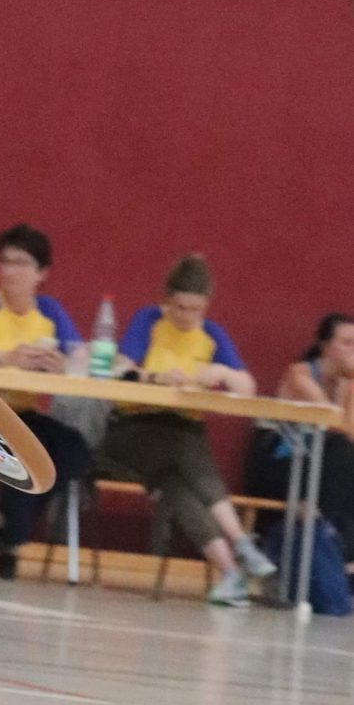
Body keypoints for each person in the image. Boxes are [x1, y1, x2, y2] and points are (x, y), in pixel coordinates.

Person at [97, 255, 274, 606]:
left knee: (177, 486)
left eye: (195, 309)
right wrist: (156, 377)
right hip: (132, 431)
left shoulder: (212, 335)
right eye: (179, 307)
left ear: (205, 306)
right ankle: (241, 540)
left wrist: (224, 373)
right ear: (166, 300)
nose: (186, 316)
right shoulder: (148, 321)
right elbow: (120, 369)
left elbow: (248, 387)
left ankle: (231, 574)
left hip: (181, 433)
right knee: (182, 445)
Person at [0, 225, 92, 580]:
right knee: (24, 448)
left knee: (73, 450)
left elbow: (82, 355)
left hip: (20, 414)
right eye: (5, 261)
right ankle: (11, 534)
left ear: (42, 273)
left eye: (21, 263)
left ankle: (8, 524)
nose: (10, 270)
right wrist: (2, 358)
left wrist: (63, 363)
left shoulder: (49, 311)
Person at [268, 314, 354, 558]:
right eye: (347, 343)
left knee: (345, 459)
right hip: (282, 464)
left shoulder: (345, 383)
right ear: (325, 346)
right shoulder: (300, 375)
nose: (353, 350)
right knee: (342, 450)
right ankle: (326, 537)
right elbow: (334, 424)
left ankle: (342, 557)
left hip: (320, 469)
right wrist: (349, 384)